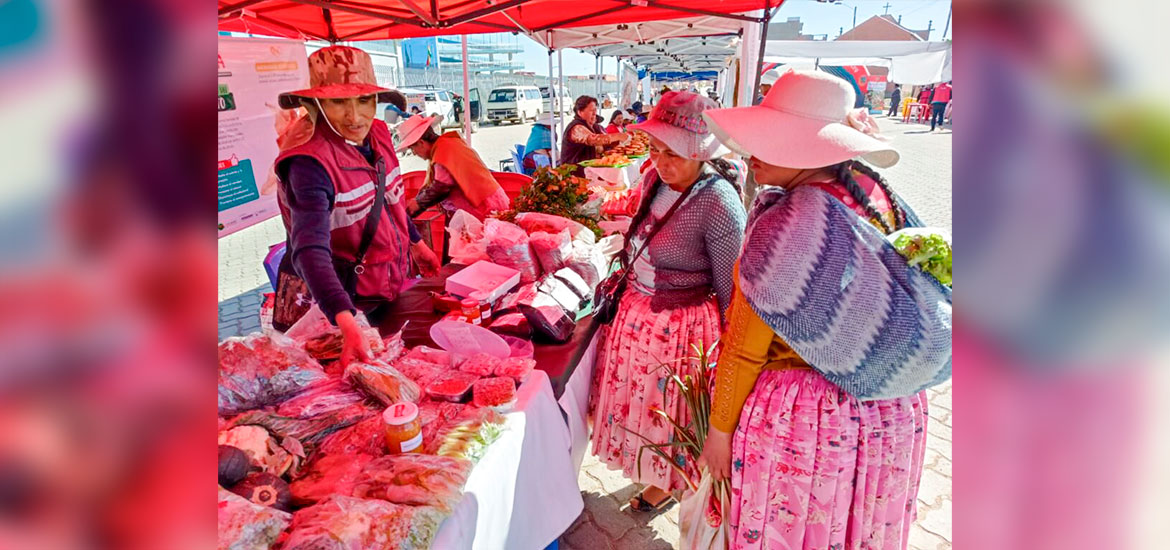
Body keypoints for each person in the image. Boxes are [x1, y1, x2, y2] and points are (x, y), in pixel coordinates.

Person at [698, 69, 951, 549]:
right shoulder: (874, 192)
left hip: (809, 424)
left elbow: (745, 351)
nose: (750, 153)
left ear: (804, 148)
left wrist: (720, 432)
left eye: (767, 138)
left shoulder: (786, 230)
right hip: (890, 413)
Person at [590, 91, 747, 512]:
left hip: (682, 332)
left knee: (665, 413)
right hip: (639, 316)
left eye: (672, 152)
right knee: (641, 408)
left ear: (699, 153)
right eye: (655, 149)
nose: (661, 161)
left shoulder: (717, 201)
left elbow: (732, 290)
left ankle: (670, 481)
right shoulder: (651, 179)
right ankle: (650, 471)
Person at [272, 46, 441, 365]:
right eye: (338, 102)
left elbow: (389, 196)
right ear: (315, 105)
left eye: (364, 100)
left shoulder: (378, 134)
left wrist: (416, 244)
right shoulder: (309, 164)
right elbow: (308, 249)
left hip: (379, 290)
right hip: (332, 307)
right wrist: (346, 322)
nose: (354, 116)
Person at [396, 115, 510, 225]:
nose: (414, 153)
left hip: (485, 207)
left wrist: (416, 205)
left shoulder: (443, 151)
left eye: (412, 148)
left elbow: (440, 187)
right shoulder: (448, 143)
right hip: (489, 202)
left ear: (421, 143)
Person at [560, 95, 626, 173]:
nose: (595, 113)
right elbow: (594, 139)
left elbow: (603, 145)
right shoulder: (576, 127)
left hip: (591, 172)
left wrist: (619, 142)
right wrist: (619, 136)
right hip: (575, 175)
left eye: (595, 110)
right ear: (580, 112)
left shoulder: (594, 127)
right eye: (592, 110)